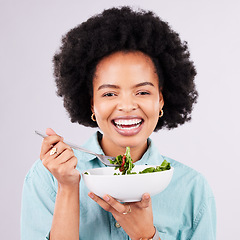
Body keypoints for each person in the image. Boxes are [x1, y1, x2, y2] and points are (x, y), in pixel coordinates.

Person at [21, 6, 216, 240]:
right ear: (91, 104)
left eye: (142, 92)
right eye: (109, 94)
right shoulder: (47, 179)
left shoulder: (192, 189)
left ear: (161, 100)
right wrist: (67, 188)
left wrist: (146, 236)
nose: (126, 106)